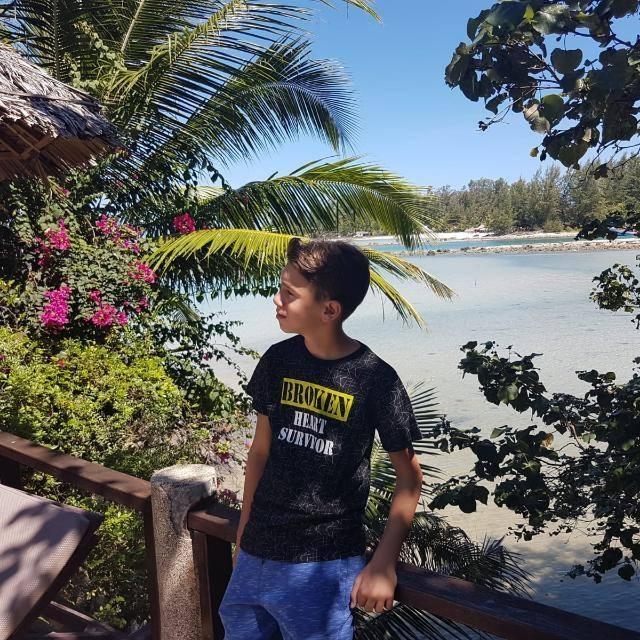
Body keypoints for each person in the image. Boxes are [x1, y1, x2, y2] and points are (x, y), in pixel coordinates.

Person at [220, 238, 423, 640]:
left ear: (329, 310)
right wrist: (244, 528)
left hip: (323, 565)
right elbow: (260, 452)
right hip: (256, 555)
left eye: (289, 293)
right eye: (280, 288)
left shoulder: (376, 380)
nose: (277, 300)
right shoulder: (277, 360)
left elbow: (409, 478)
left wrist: (384, 562)